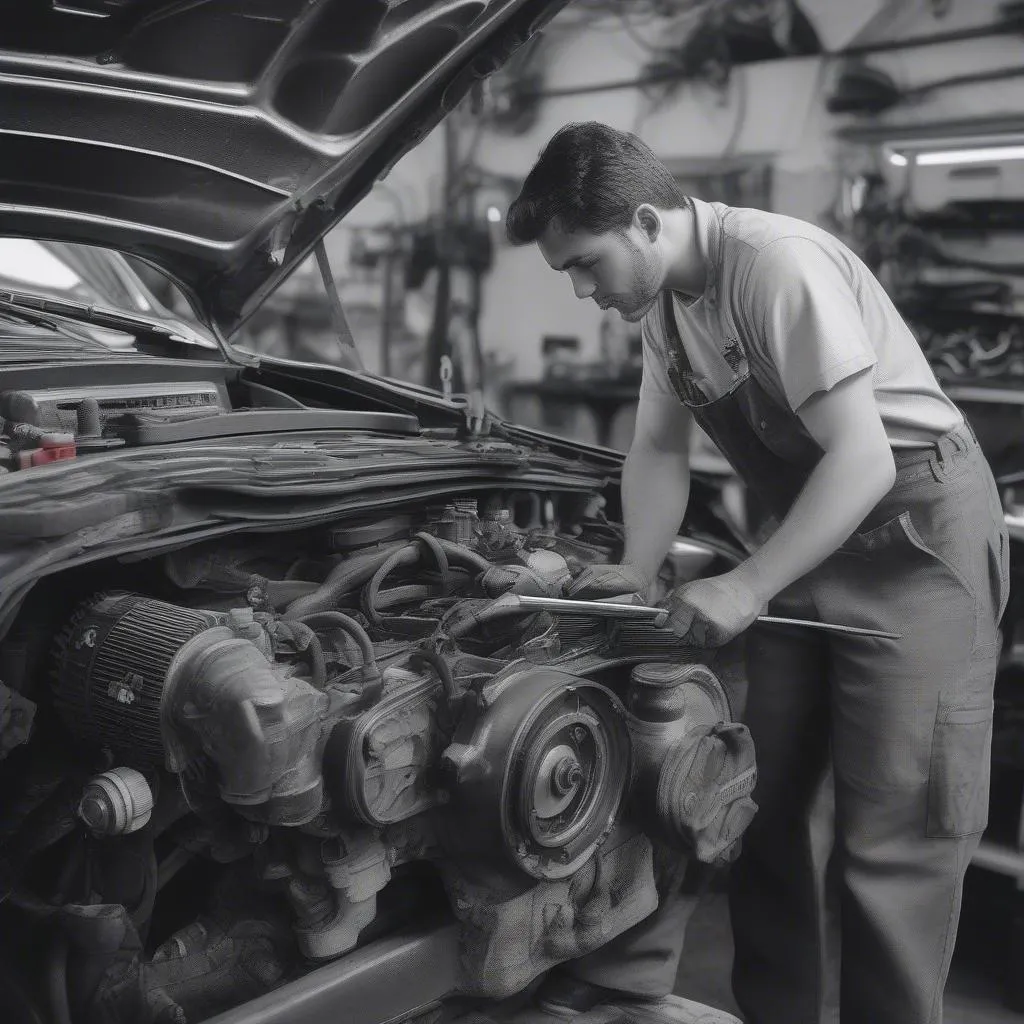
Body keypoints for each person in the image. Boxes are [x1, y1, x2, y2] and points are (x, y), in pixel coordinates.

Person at [504, 122, 1009, 1024]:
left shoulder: (776, 266)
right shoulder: (663, 307)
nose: (585, 292)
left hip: (914, 535)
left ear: (647, 222)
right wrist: (636, 563)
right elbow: (656, 449)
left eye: (585, 264)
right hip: (811, 534)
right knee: (756, 805)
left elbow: (864, 461)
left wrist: (747, 584)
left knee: (894, 837)